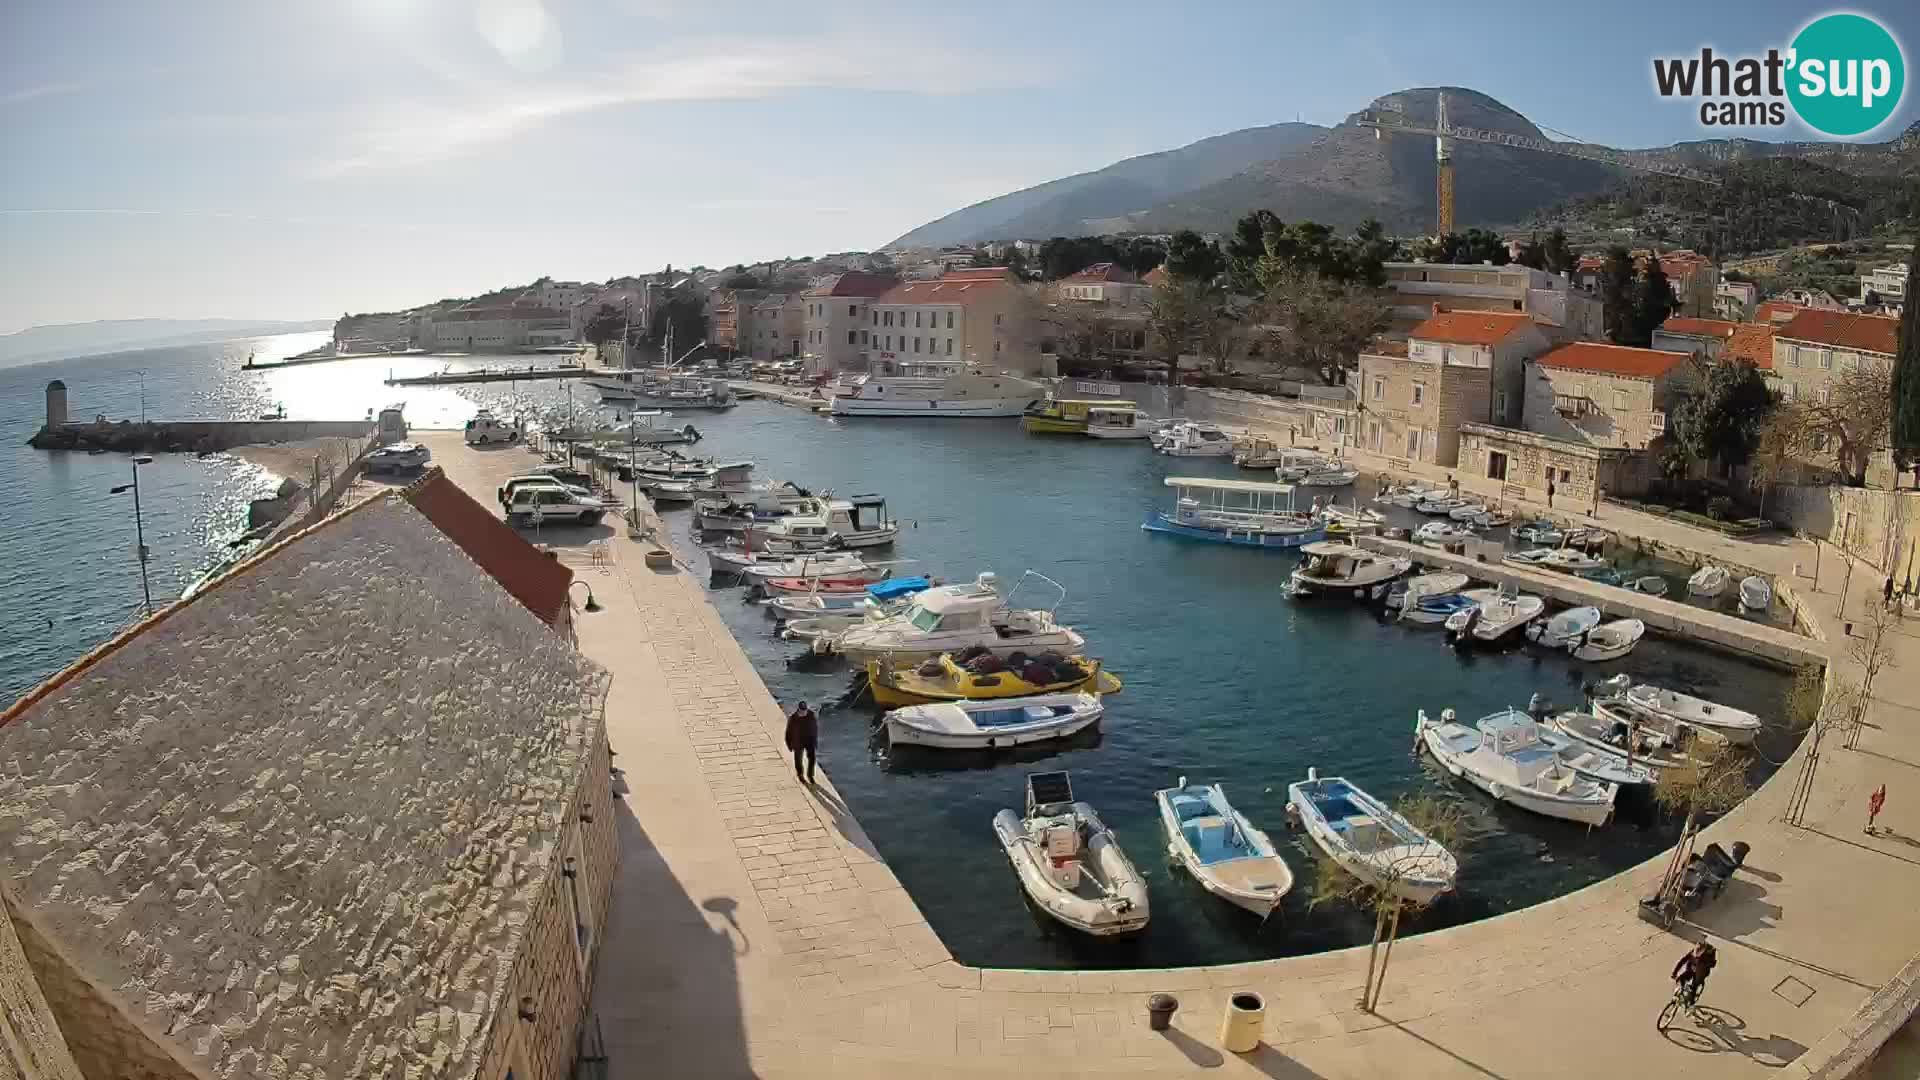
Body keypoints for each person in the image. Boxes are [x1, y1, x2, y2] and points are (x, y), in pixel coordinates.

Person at [785, 700, 819, 785]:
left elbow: (815, 728)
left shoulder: (811, 715)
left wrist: (815, 741)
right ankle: (800, 775)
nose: (804, 712)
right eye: (802, 711)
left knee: (812, 759)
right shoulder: (793, 718)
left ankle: (810, 775)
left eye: (805, 710)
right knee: (798, 760)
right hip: (798, 742)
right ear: (799, 710)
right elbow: (788, 732)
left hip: (809, 741)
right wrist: (789, 744)